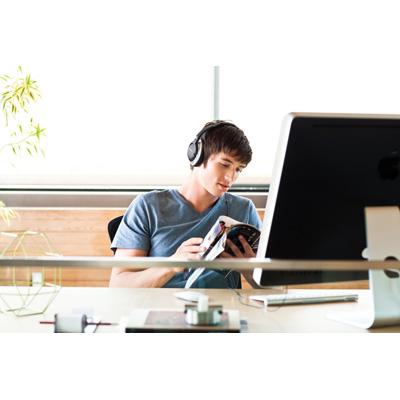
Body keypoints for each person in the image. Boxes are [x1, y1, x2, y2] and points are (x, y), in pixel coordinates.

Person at [109, 120, 262, 288]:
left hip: (221, 305)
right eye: (224, 164)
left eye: (238, 169)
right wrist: (172, 265)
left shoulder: (243, 209)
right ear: (198, 157)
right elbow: (118, 285)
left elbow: (271, 288)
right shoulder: (148, 206)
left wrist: (251, 271)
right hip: (164, 304)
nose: (230, 177)